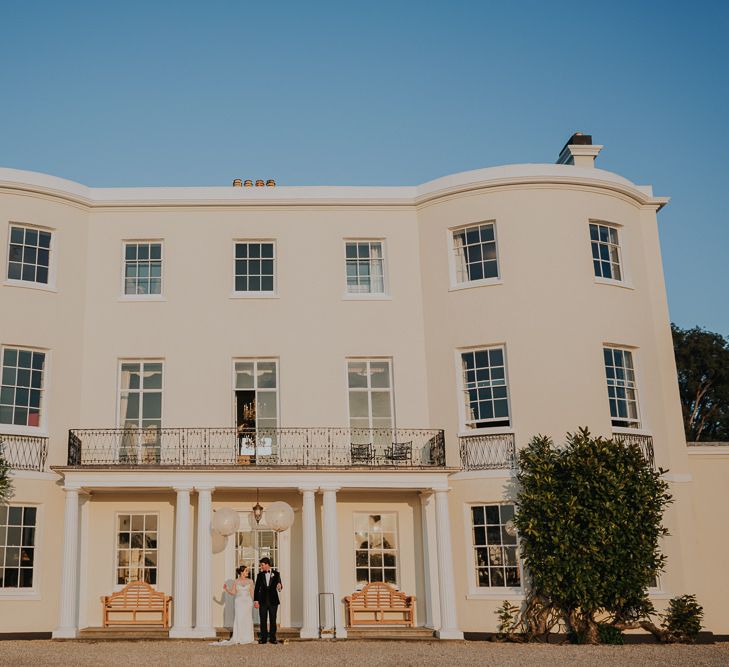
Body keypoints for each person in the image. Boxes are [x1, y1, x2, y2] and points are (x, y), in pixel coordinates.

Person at [211, 565, 255, 645]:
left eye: (247, 571)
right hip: (239, 603)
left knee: (247, 619)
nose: (247, 572)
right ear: (241, 572)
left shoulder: (250, 581)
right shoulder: (236, 581)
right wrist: (227, 589)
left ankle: (248, 637)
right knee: (239, 619)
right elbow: (233, 592)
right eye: (246, 571)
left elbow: (252, 593)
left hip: (248, 603)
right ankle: (239, 637)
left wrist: (255, 602)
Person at [254, 557, 283, 644]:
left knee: (273, 620)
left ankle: (273, 638)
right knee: (263, 620)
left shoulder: (276, 574)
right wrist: (256, 600)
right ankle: (263, 638)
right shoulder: (259, 575)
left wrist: (279, 587)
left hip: (273, 601)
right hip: (262, 601)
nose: (261, 567)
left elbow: (280, 586)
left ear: (267, 564)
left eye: (262, 565)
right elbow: (256, 589)